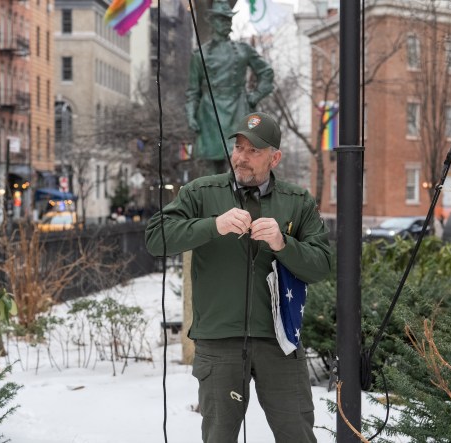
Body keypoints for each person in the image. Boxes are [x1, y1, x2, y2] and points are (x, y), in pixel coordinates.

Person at [145, 112, 331, 442]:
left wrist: (282, 244)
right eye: (238, 147)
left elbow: (322, 266)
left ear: (275, 158)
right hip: (220, 342)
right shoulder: (201, 193)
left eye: (253, 151)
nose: (241, 157)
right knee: (218, 436)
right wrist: (212, 226)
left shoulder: (297, 202)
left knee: (298, 435)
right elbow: (155, 238)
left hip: (281, 342)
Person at [185, 0, 274, 175]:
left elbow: (266, 73)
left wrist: (255, 96)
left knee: (241, 160)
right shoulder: (199, 55)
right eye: (221, 19)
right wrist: (191, 114)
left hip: (238, 109)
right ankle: (213, 201)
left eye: (228, 19)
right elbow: (193, 90)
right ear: (212, 22)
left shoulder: (243, 50)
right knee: (212, 167)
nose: (226, 23)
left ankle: (239, 200)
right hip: (209, 112)